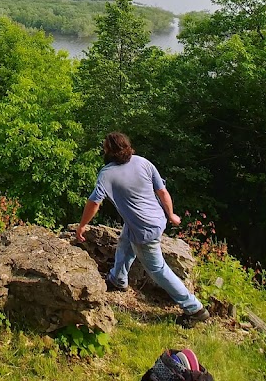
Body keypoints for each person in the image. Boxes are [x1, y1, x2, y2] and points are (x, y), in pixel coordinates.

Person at [76, 131, 210, 327]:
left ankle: (194, 308)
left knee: (158, 270)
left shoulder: (107, 173)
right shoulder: (142, 162)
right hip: (156, 220)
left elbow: (94, 203)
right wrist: (171, 214)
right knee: (125, 239)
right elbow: (162, 191)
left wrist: (82, 225)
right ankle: (118, 279)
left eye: (105, 147)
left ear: (109, 151)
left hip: (145, 230)